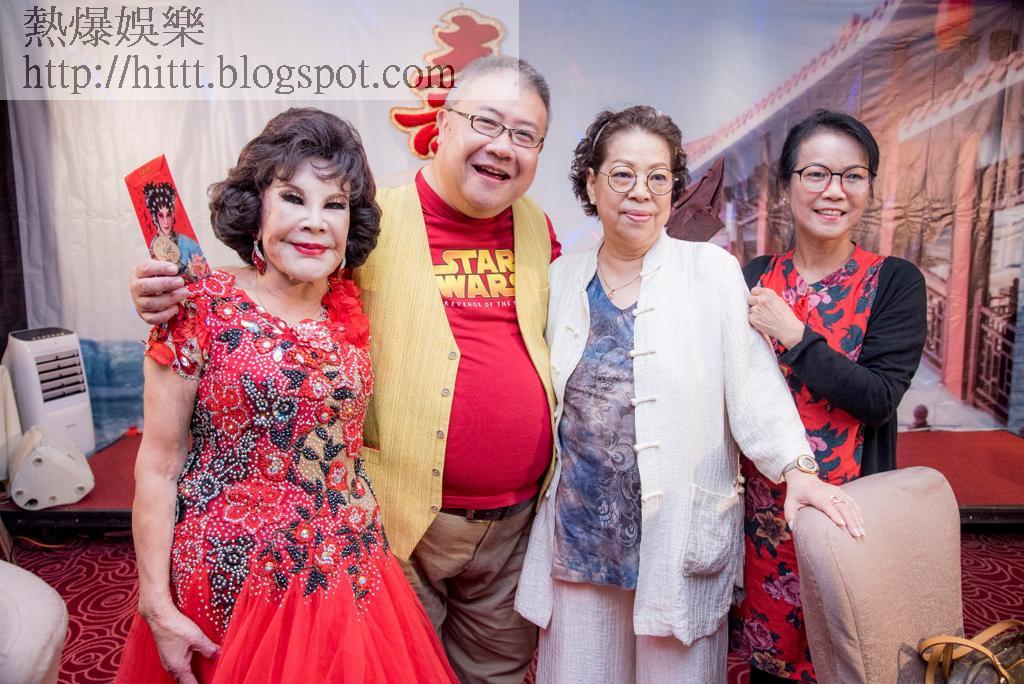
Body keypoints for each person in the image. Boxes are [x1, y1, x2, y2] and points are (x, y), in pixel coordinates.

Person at [128, 56, 559, 684]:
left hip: (475, 532)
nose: (315, 219)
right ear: (444, 123)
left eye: (525, 134)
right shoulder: (363, 226)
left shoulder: (533, 227)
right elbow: (161, 457)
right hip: (362, 537)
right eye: (487, 122)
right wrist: (160, 292)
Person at [514, 105, 865, 683]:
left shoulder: (711, 271)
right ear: (591, 183)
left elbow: (753, 384)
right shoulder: (561, 278)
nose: (641, 192)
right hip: (578, 538)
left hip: (677, 535)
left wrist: (798, 469)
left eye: (659, 177)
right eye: (622, 174)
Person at [116, 108, 456, 684]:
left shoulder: (348, 303)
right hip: (230, 581)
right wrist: (156, 603)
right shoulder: (198, 305)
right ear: (256, 209)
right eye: (293, 198)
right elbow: (158, 464)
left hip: (347, 574)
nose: (315, 222)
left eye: (335, 204)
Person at [734, 109, 927, 683]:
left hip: (850, 514)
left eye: (853, 176)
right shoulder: (753, 276)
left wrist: (795, 336)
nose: (834, 191)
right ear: (786, 185)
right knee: (770, 662)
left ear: (869, 187)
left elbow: (878, 397)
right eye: (816, 173)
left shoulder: (894, 281)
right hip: (764, 515)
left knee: (851, 658)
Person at [143, 181, 207, 279]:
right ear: (155, 218)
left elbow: (205, 274)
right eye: (161, 216)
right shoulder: (154, 244)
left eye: (168, 215)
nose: (166, 222)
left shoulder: (187, 243)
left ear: (172, 215)